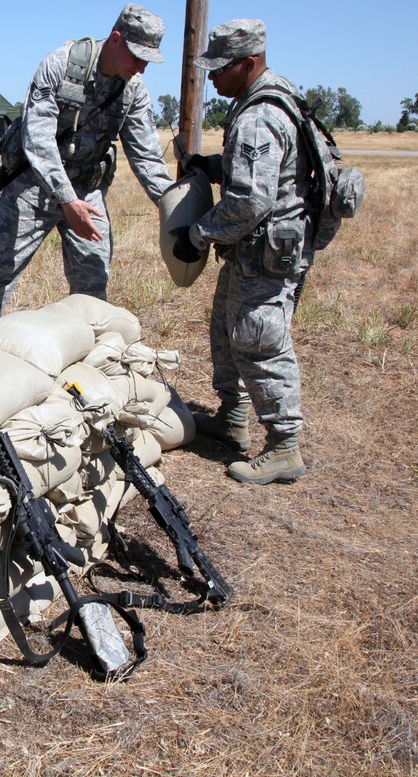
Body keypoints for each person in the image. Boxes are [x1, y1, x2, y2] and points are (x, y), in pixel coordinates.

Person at [0, 3, 174, 354]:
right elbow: (38, 139)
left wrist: (174, 210)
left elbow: (147, 158)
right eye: (137, 56)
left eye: (148, 61)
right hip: (34, 186)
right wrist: (67, 200)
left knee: (93, 283)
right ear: (115, 39)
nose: (141, 67)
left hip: (87, 192)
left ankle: (87, 359)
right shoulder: (61, 65)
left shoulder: (133, 90)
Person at [172, 19, 308, 485]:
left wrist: (198, 234)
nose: (211, 77)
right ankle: (232, 419)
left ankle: (284, 447)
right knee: (226, 330)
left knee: (259, 341)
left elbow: (251, 200)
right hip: (253, 250)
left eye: (219, 69)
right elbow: (257, 172)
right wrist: (210, 166)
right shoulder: (266, 100)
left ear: (248, 64)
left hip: (264, 253)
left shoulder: (258, 116)